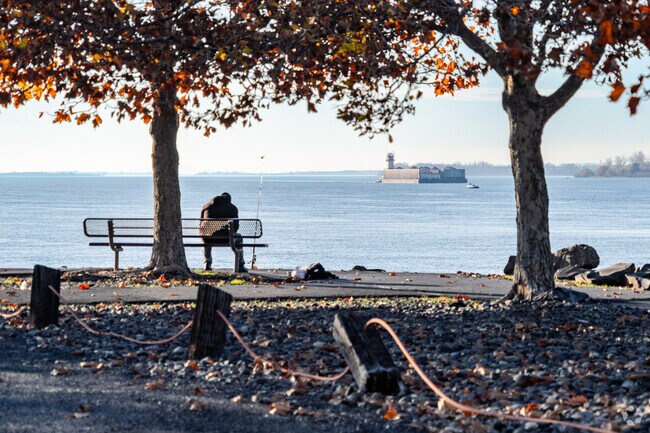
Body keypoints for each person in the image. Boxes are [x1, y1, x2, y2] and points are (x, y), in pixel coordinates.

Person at [200, 192, 246, 271]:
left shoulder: (206, 207)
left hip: (208, 238)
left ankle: (207, 262)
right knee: (239, 238)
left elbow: (201, 224)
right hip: (227, 238)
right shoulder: (232, 208)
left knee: (206, 234)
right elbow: (235, 227)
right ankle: (240, 264)